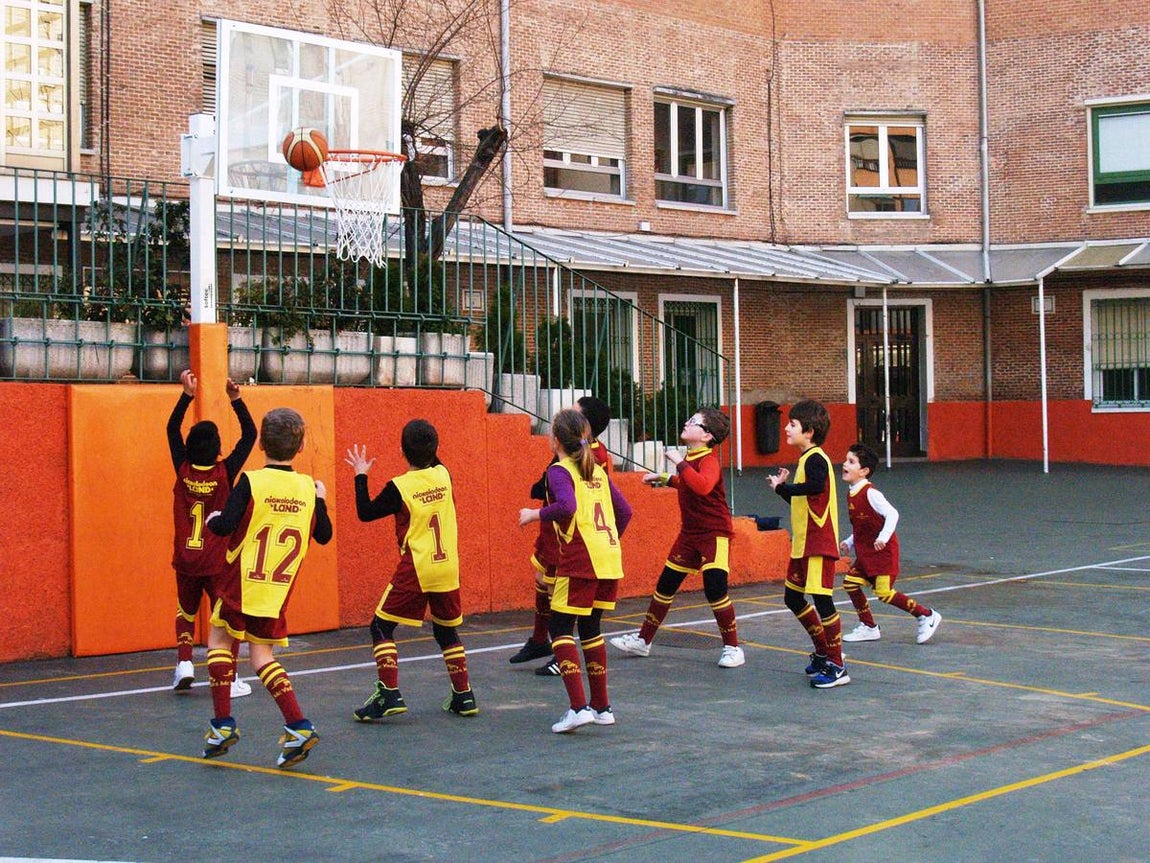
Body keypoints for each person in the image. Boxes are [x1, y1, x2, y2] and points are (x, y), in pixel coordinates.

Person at [200, 407, 333, 769]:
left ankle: (223, 724)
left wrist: (213, 520)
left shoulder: (252, 482)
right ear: (302, 445)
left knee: (219, 642)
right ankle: (298, 725)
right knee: (262, 658)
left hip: (242, 582)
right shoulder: (307, 487)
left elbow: (225, 524)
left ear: (260, 442)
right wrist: (320, 498)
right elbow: (324, 535)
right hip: (276, 589)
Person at [346, 419, 478, 722]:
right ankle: (464, 695)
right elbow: (432, 457)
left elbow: (365, 513)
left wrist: (361, 474)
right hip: (448, 568)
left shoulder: (400, 486)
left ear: (403, 451)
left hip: (418, 567)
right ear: (435, 450)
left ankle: (389, 693)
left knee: (380, 627)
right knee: (446, 630)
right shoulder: (443, 475)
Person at [519, 408, 632, 733]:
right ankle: (602, 707)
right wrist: (606, 541)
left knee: (561, 630)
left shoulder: (559, 470)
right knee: (591, 629)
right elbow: (624, 512)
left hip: (582, 560)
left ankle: (578, 707)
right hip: (609, 558)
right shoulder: (595, 469)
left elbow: (567, 506)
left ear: (555, 439)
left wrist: (533, 514)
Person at [610, 407, 744, 668]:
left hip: (713, 533)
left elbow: (703, 486)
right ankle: (643, 641)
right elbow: (689, 484)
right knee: (665, 586)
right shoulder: (692, 459)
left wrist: (677, 462)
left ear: (707, 436)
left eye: (694, 422)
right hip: (689, 534)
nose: (686, 422)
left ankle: (733, 647)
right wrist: (667, 478)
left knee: (715, 590)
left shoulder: (708, 460)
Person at [165, 369, 255, 699]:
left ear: (188, 446)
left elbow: (171, 428)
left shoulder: (183, 467)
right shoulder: (225, 471)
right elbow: (249, 436)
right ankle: (228, 679)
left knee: (186, 612)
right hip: (218, 561)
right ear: (218, 447)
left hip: (186, 558)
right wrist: (236, 399)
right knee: (225, 620)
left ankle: (185, 664)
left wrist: (187, 394)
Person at [510, 395, 614, 677]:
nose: (567, 411)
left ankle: (561, 653)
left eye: (574, 411)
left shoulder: (595, 458)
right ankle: (540, 639)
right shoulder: (569, 448)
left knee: (563, 598)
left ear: (584, 425)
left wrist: (537, 513)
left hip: (569, 533)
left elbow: (585, 500)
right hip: (552, 528)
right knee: (542, 579)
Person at [768, 399, 848, 688]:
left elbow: (814, 487)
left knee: (823, 601)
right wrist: (781, 489)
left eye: (792, 424)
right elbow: (802, 497)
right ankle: (823, 650)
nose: (787, 428)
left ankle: (837, 664)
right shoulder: (805, 460)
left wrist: (786, 487)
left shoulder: (816, 459)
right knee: (793, 597)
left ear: (809, 431)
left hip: (818, 542)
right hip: (803, 544)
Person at [839, 443, 941, 644]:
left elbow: (892, 514)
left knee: (884, 593)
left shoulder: (871, 493)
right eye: (846, 460)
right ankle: (868, 626)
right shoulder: (851, 493)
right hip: (866, 553)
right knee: (850, 583)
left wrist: (883, 538)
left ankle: (926, 615)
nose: (845, 464)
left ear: (864, 471)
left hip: (882, 553)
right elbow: (863, 525)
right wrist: (850, 542)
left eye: (851, 462)